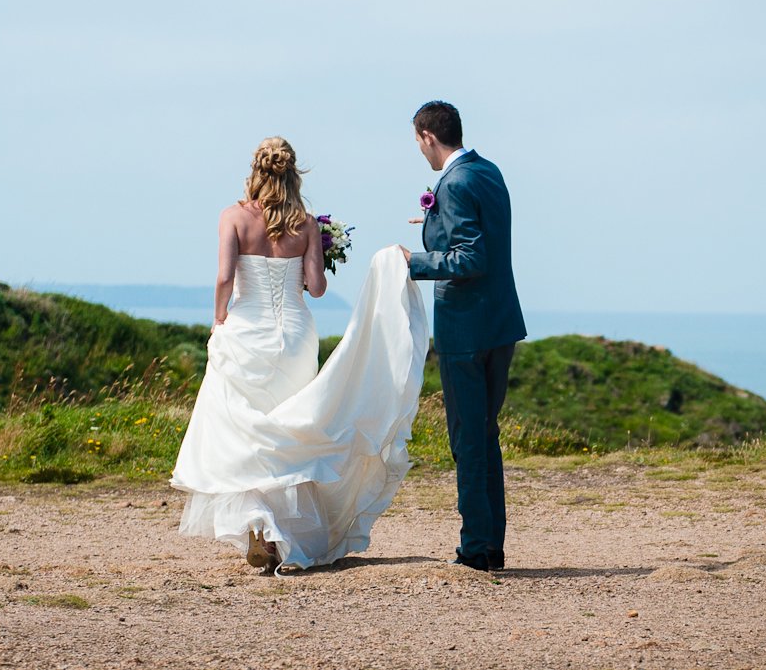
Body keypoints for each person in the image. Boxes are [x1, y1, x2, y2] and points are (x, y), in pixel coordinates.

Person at [171, 136, 429, 575]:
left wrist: (219, 320)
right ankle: (280, 535)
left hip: (248, 331)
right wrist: (319, 250)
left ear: (254, 172)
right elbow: (317, 288)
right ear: (293, 176)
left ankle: (259, 524)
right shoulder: (307, 223)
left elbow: (223, 278)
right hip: (293, 337)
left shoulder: (232, 216)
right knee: (288, 432)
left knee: (247, 434)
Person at [399, 101, 526, 572]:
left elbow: (470, 259)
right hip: (500, 323)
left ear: (429, 136)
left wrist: (414, 259)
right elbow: (479, 236)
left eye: (418, 142)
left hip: (466, 329)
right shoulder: (486, 170)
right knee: (485, 436)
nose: (420, 151)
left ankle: (476, 549)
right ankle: (490, 544)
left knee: (468, 440)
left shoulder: (453, 182)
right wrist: (434, 226)